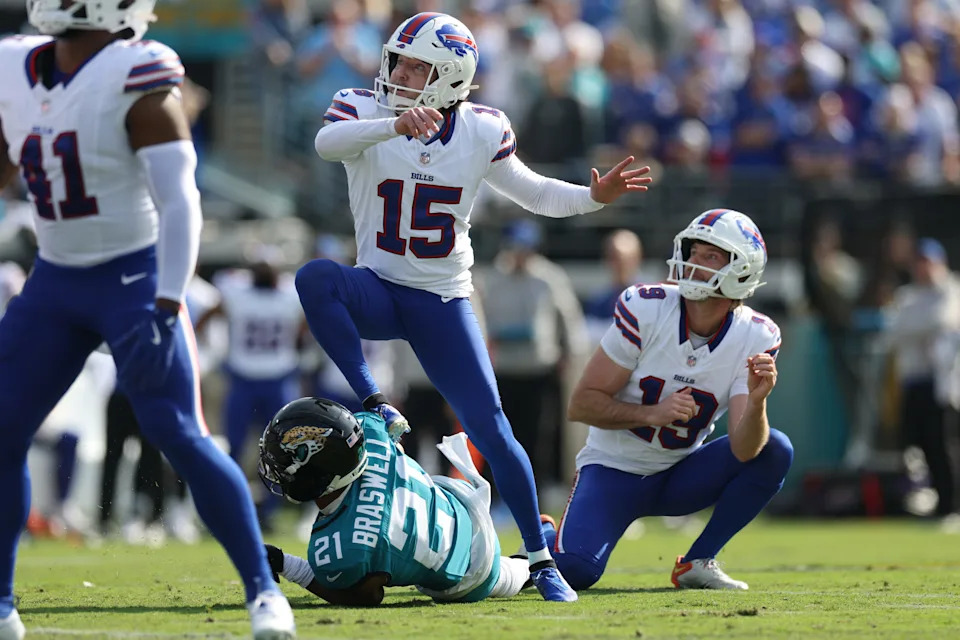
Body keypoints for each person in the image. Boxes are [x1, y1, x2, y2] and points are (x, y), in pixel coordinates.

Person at [297, 11, 651, 602]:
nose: (399, 73)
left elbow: (534, 191)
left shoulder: (482, 130)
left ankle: (540, 561)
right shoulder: (362, 108)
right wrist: (393, 126)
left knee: (494, 429)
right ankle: (373, 401)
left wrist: (593, 196)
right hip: (379, 288)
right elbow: (325, 143)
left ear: (449, 79)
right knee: (316, 277)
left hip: (441, 300)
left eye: (417, 66)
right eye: (398, 60)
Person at [0, 2, 295, 638]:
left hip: (131, 277)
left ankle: (264, 593)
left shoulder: (138, 72)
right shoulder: (14, 64)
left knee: (178, 433)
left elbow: (181, 201)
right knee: (2, 429)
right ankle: (0, 603)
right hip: (55, 276)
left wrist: (167, 300)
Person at [546, 209, 793, 591]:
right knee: (575, 571)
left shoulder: (756, 335)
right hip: (614, 470)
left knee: (775, 448)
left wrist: (758, 402)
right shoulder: (646, 308)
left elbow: (746, 451)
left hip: (681, 473)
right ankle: (547, 536)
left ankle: (698, 560)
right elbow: (582, 405)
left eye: (710, 256)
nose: (694, 262)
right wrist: (651, 414)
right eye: (693, 252)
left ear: (741, 269)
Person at [258, 397, 530, 605]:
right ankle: (535, 551)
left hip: (469, 570)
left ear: (318, 470)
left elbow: (364, 596)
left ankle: (535, 560)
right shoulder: (369, 430)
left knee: (512, 573)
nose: (277, 468)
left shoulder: (346, 551)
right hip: (461, 503)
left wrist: (284, 564)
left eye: (283, 462)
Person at [887, 238, 960, 528]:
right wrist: (921, 328)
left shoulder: (951, 290)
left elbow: (943, 321)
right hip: (914, 381)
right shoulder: (907, 296)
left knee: (943, 445)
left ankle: (952, 506)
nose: (924, 269)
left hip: (944, 384)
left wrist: (916, 328)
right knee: (918, 445)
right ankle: (933, 501)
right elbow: (895, 332)